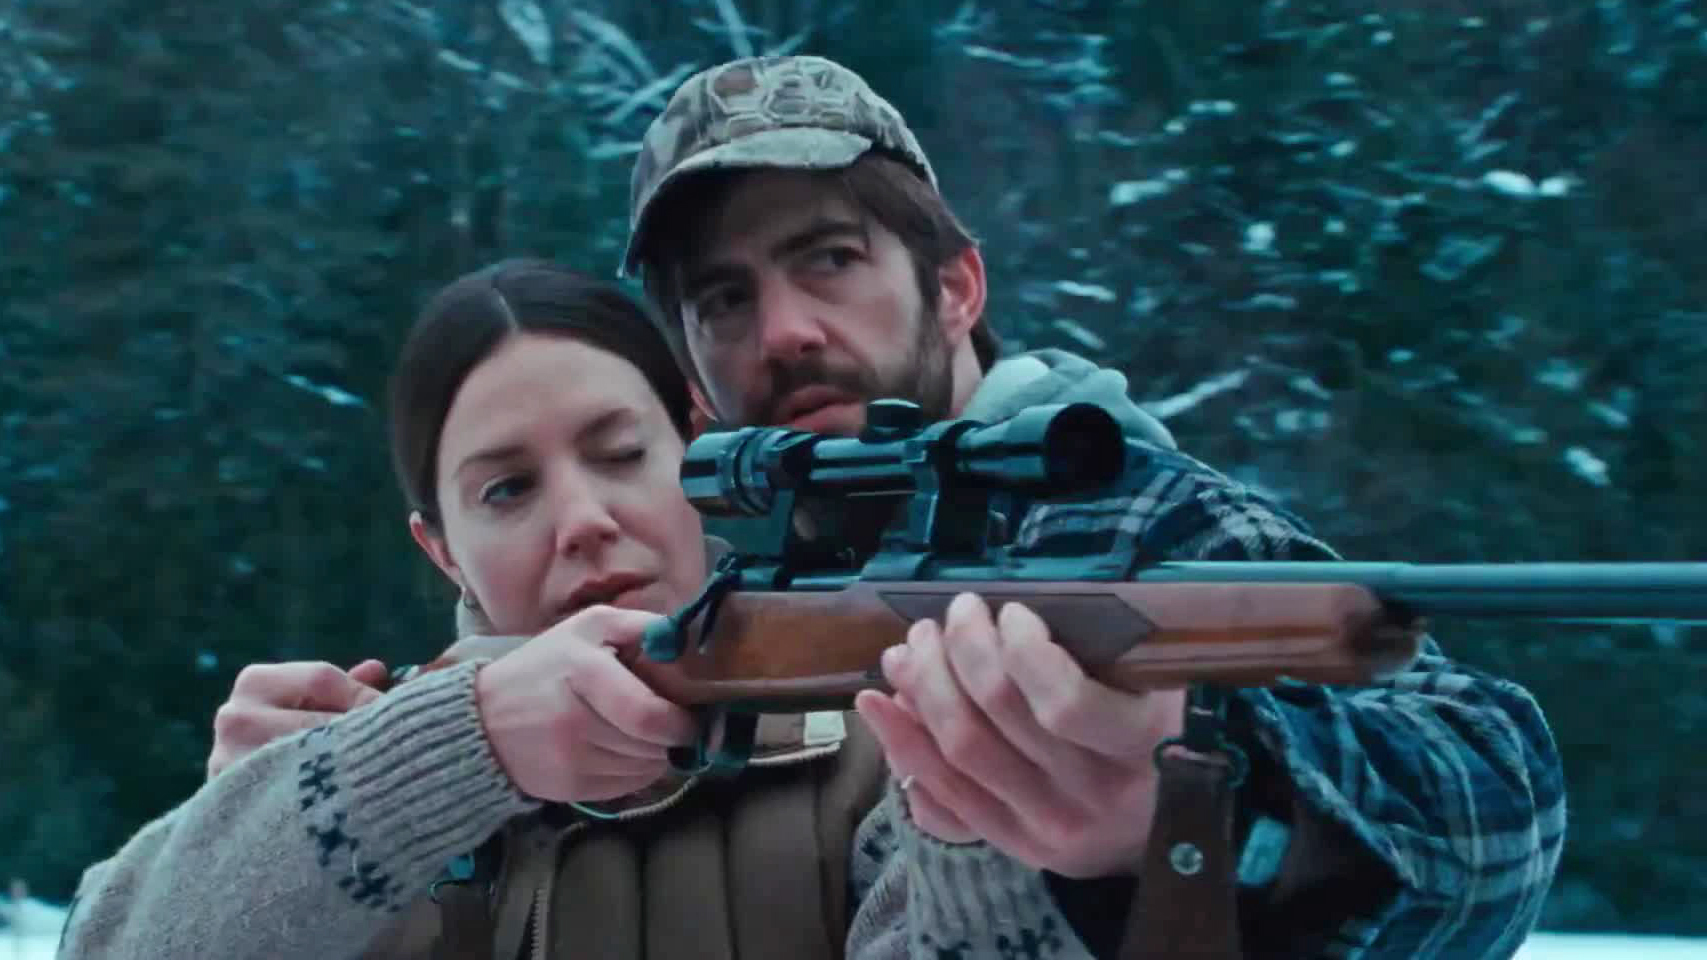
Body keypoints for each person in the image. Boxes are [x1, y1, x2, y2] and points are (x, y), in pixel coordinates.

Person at [620, 55, 1567, 958]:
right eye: (723, 300)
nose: (783, 332)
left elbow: (1496, 808)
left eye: (829, 259)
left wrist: (1212, 813)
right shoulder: (706, 580)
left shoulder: (1126, 519)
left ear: (954, 288)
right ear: (693, 377)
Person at [57, 260, 885, 959]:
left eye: (621, 453)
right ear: (441, 549)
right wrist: (325, 801)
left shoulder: (877, 743)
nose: (583, 521)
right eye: (507, 489)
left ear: (699, 454)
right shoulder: (354, 766)